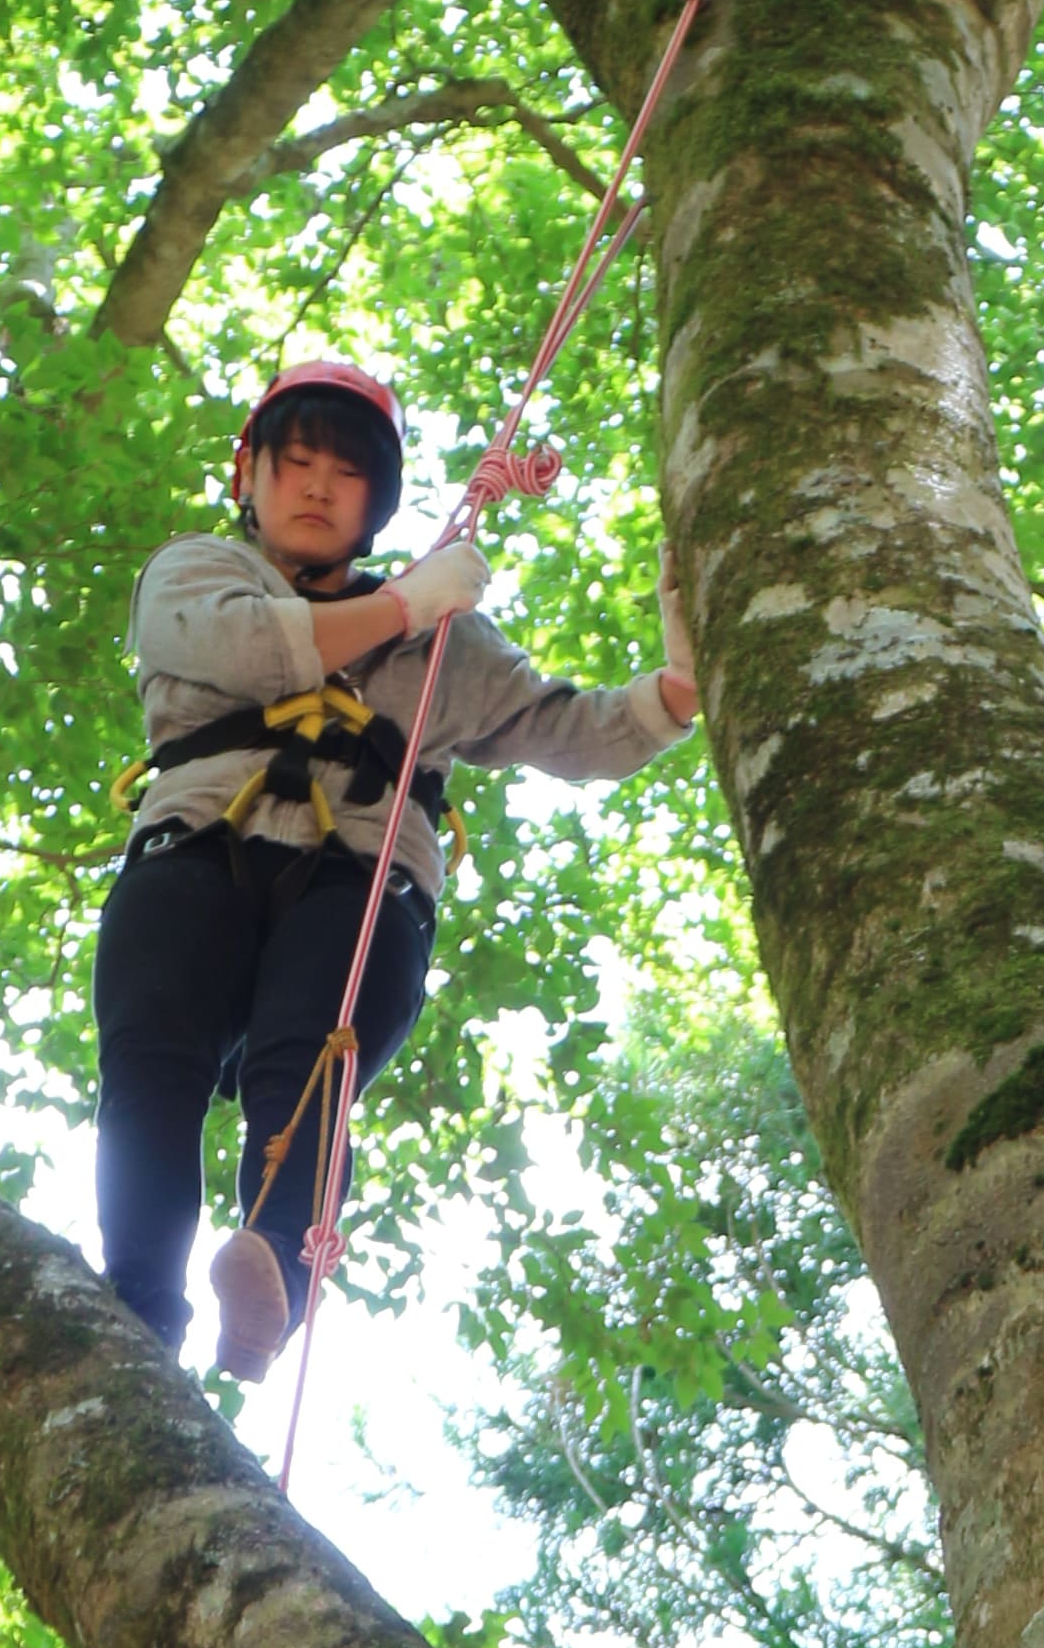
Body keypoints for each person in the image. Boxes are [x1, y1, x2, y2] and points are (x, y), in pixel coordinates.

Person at [99, 356, 699, 1380]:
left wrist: (680, 685)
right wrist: (406, 607)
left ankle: (272, 1274)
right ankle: (137, 1310)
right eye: (295, 464)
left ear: (376, 505)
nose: (319, 487)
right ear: (250, 476)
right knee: (156, 1056)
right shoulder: (199, 573)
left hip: (363, 872)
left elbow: (573, 734)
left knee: (311, 1063)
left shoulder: (445, 652)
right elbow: (246, 650)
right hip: (198, 845)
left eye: (347, 473)